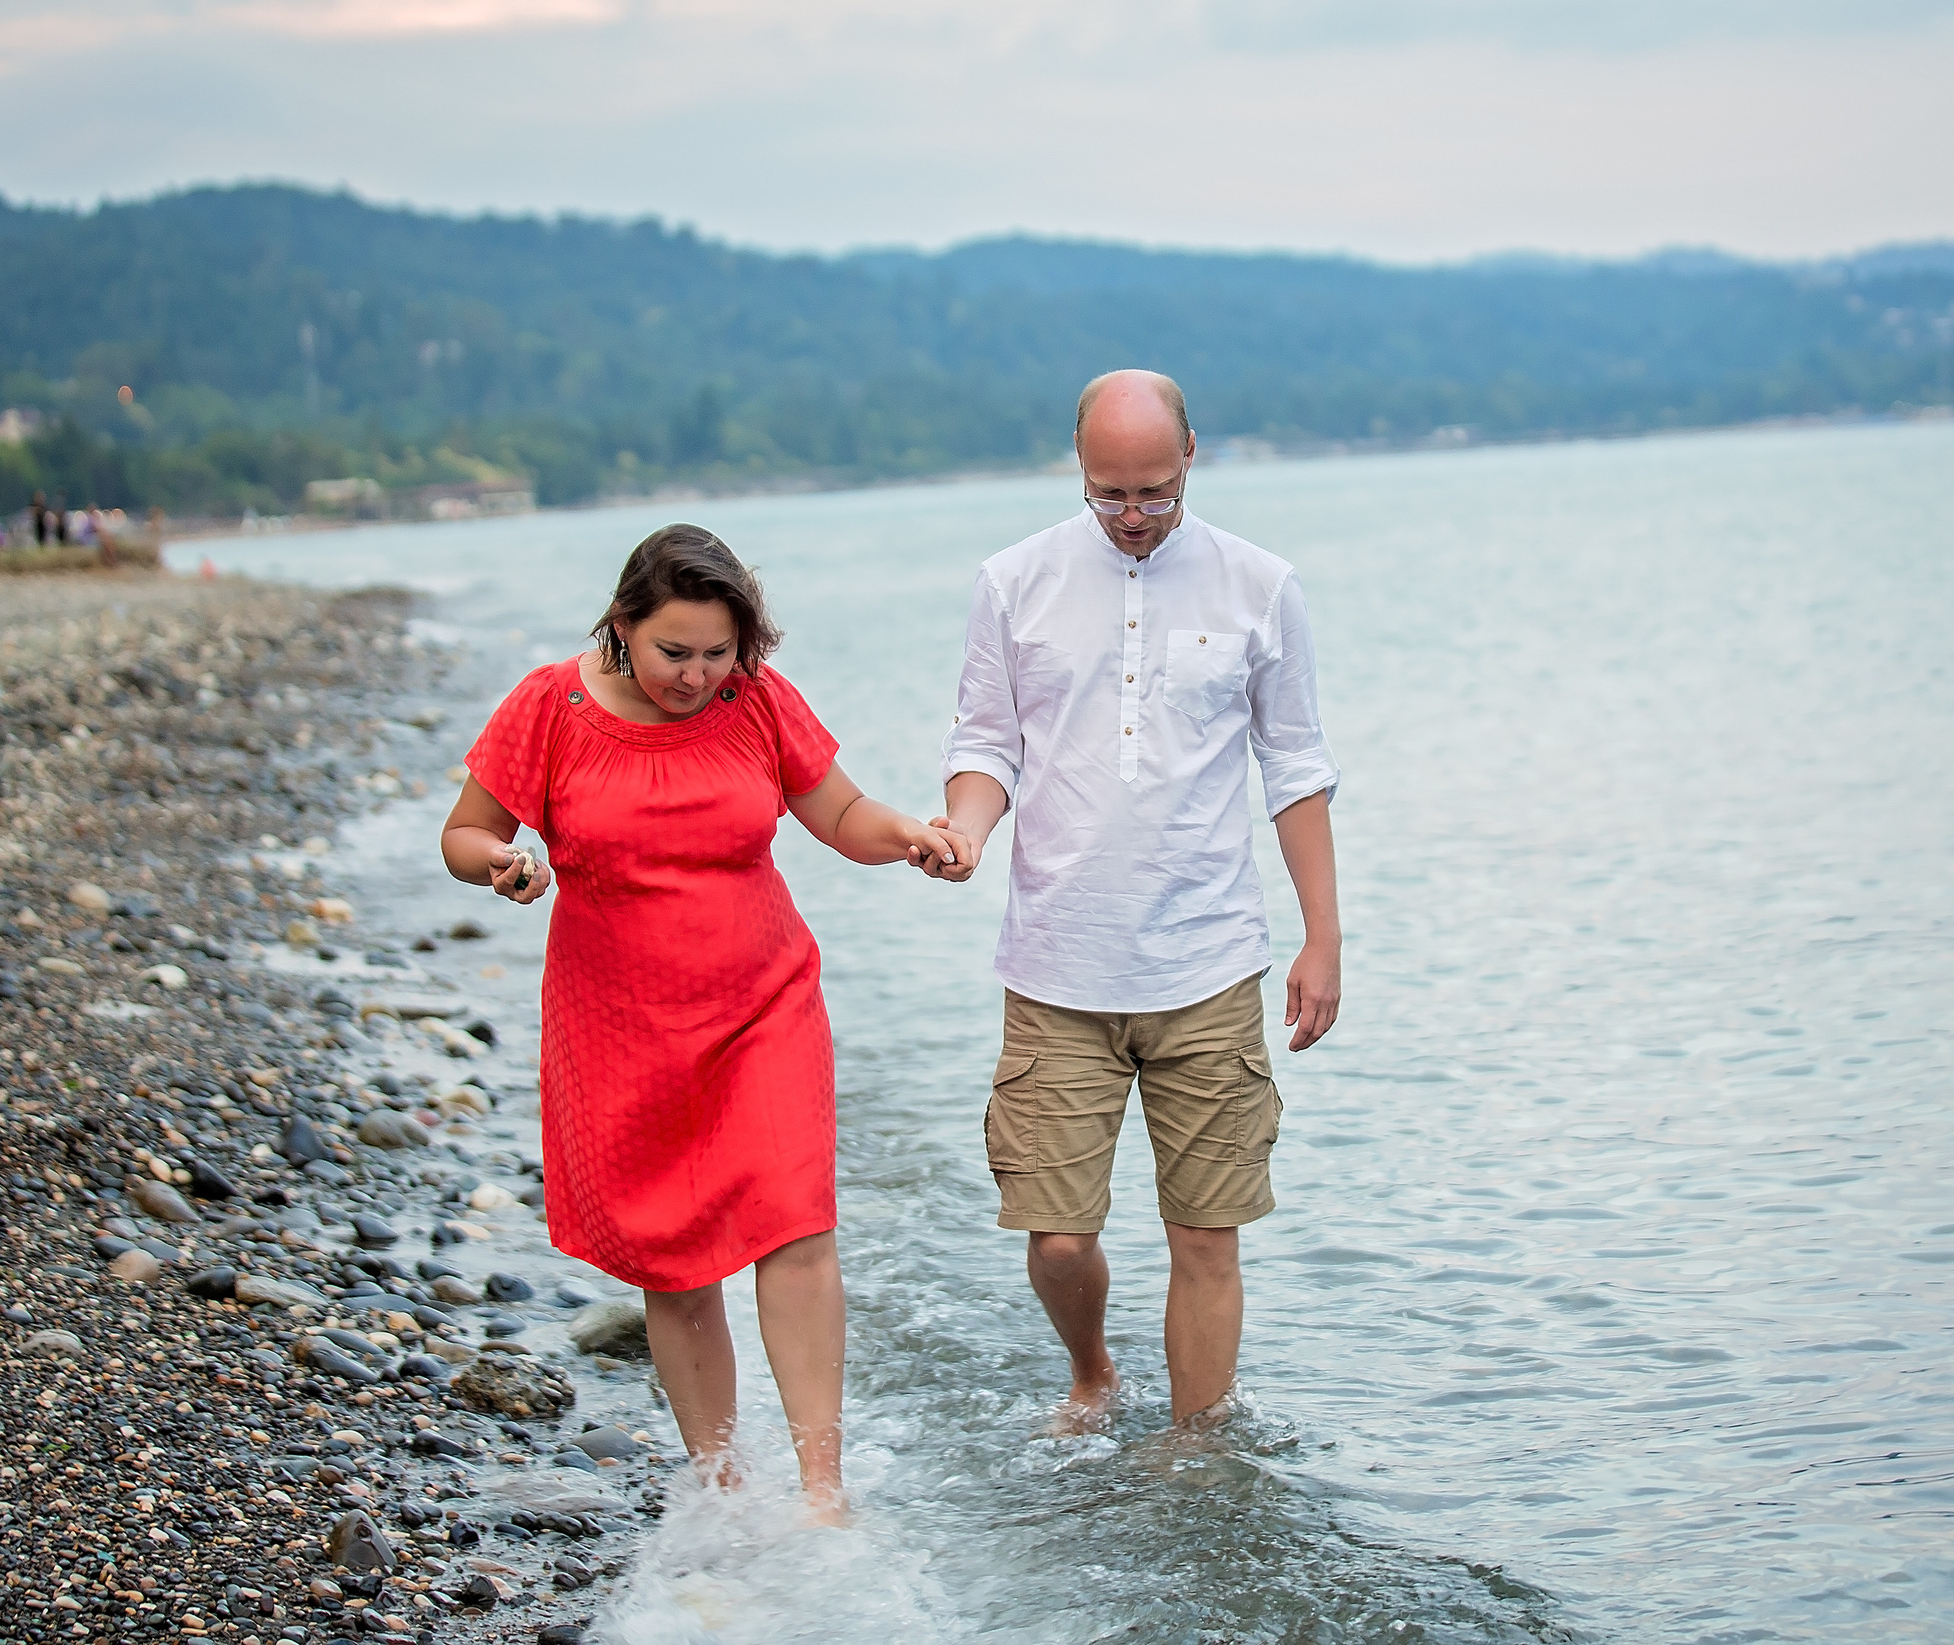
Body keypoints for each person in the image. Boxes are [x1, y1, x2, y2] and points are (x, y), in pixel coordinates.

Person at [442, 524, 958, 1518]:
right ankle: (722, 1488)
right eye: (675, 651)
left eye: (718, 652)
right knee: (672, 1259)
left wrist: (906, 836)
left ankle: (821, 1494)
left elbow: (840, 814)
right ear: (623, 623)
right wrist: (501, 867)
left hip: (763, 1002)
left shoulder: (754, 700)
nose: (696, 674)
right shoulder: (548, 705)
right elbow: (467, 832)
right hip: (618, 1023)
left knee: (795, 1228)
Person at [928, 369, 1343, 1430]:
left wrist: (1322, 937)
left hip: (1206, 963)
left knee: (1207, 1234)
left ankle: (1199, 1455)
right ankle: (1092, 1371)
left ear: (1192, 454)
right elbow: (985, 743)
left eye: (1154, 493)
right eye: (1108, 495)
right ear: (1077, 469)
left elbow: (1293, 769)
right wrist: (967, 830)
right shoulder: (1012, 581)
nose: (1132, 518)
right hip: (1056, 964)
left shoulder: (1260, 585)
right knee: (1057, 1235)